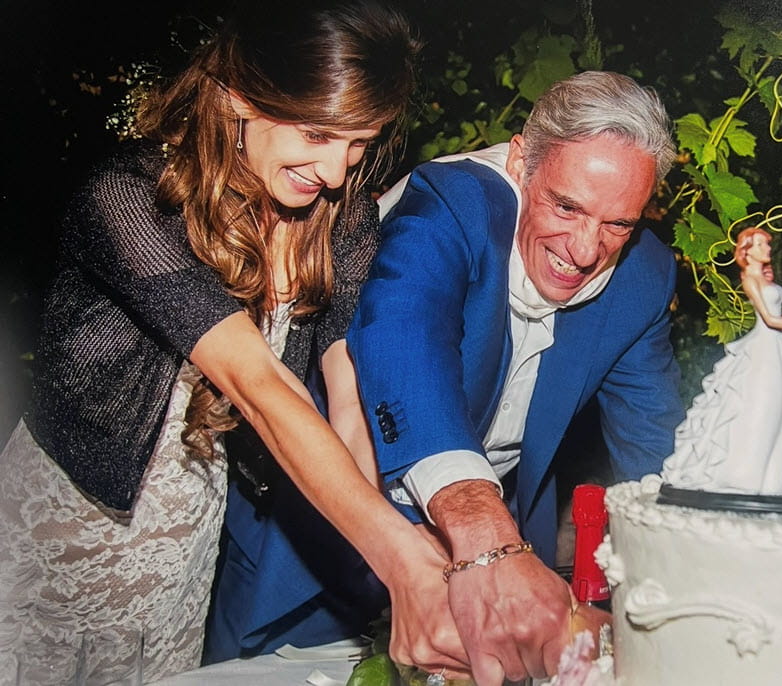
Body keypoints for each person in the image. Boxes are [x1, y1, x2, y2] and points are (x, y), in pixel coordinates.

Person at [0, 2, 466, 681]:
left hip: (186, 539)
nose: (336, 172)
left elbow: (347, 389)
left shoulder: (342, 218)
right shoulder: (129, 198)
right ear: (240, 95)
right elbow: (259, 384)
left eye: (359, 143)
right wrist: (400, 558)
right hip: (64, 540)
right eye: (317, 133)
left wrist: (391, 543)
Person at [346, 71, 686, 686]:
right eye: (567, 206)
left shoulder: (643, 278)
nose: (585, 250)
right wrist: (483, 537)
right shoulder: (453, 202)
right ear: (520, 159)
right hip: (335, 542)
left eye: (618, 224)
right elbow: (401, 339)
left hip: (505, 554)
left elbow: (656, 458)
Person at [662, 227, 782, 495]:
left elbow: (775, 326)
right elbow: (769, 320)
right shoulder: (750, 279)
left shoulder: (765, 278)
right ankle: (744, 476)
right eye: (760, 244)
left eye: (767, 244)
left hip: (775, 346)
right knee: (760, 407)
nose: (767, 249)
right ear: (746, 251)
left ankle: (778, 480)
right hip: (763, 349)